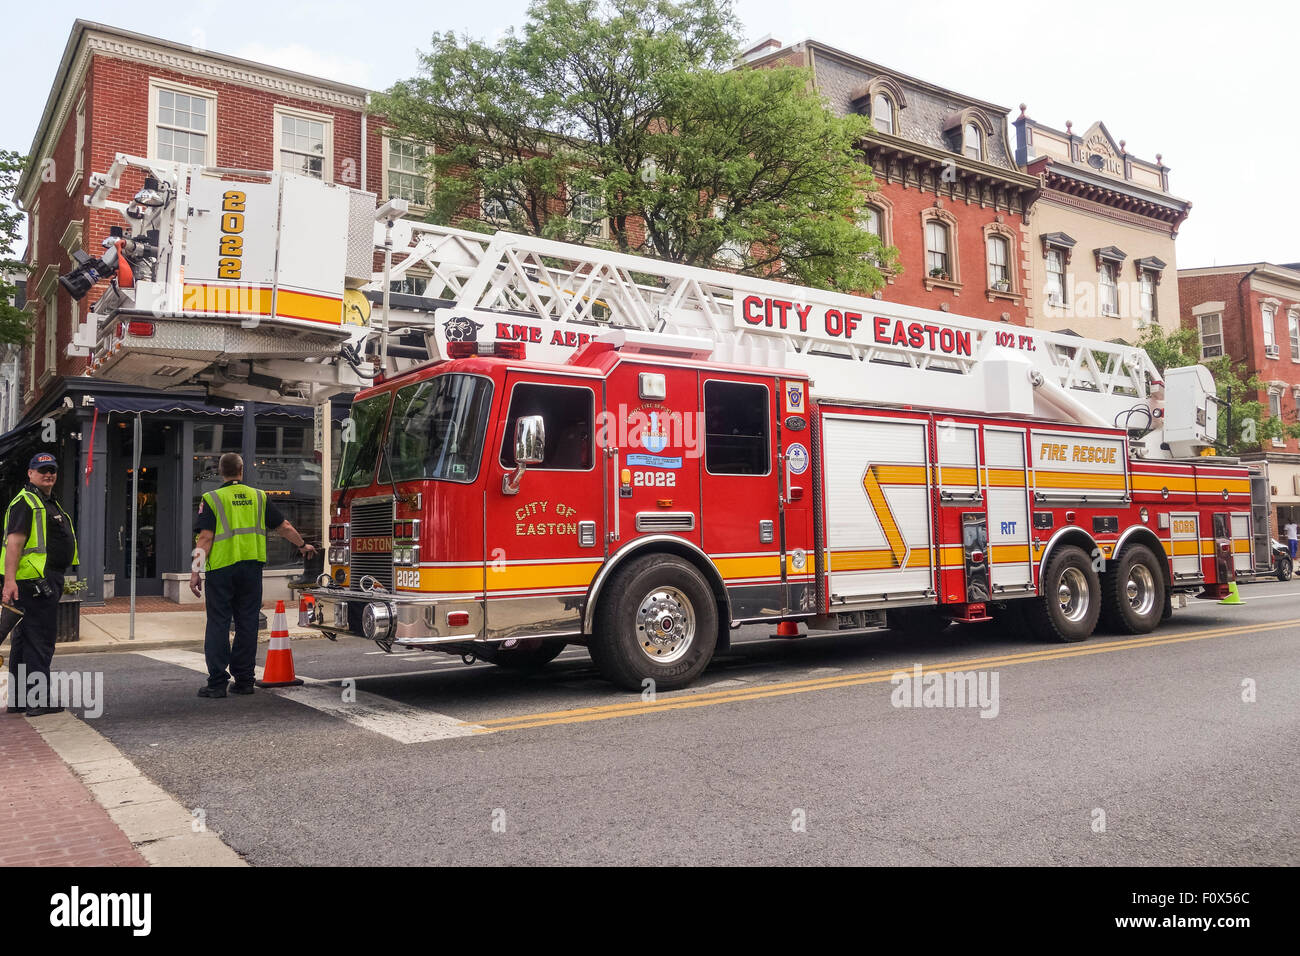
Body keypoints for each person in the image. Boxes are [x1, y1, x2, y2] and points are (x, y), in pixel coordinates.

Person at [190, 453, 316, 698]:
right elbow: (284, 527)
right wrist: (302, 546)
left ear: (220, 471)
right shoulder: (258, 497)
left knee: (218, 623)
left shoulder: (212, 498)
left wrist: (195, 571)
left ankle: (217, 684)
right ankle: (245, 680)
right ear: (241, 470)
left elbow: (205, 538)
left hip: (221, 570)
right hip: (251, 569)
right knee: (247, 623)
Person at [1, 453, 78, 716]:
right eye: (42, 470)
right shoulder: (28, 502)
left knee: (24, 641)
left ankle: (21, 699)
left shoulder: (45, 501)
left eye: (52, 470)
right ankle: (38, 701)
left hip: (37, 579)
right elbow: (14, 542)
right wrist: (9, 581)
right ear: (30, 473)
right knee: (39, 641)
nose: (48, 474)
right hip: (35, 581)